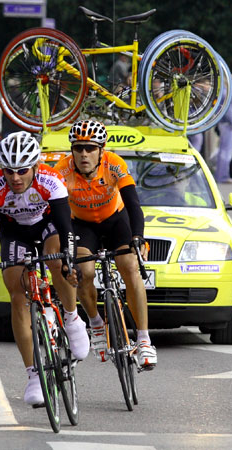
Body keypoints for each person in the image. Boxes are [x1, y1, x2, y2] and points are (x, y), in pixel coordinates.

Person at [0, 131, 89, 405]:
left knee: (55, 258)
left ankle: (72, 320)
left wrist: (69, 264)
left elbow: (67, 230)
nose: (15, 178)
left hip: (48, 225)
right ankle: (34, 375)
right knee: (15, 293)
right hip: (15, 234)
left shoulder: (51, 181)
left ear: (35, 167)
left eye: (22, 171)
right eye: (9, 171)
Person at [54, 120, 157, 370]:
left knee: (129, 265)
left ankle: (143, 339)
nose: (84, 154)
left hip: (115, 220)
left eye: (90, 148)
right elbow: (54, 210)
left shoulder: (114, 164)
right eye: (78, 148)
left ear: (101, 150)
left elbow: (133, 203)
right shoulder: (61, 170)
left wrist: (138, 236)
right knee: (84, 272)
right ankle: (96, 323)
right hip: (82, 226)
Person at [215, 75, 232, 183]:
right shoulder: (225, 93)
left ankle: (222, 175)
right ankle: (222, 176)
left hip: (227, 123)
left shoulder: (224, 92)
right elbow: (228, 110)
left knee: (225, 151)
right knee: (226, 151)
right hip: (228, 124)